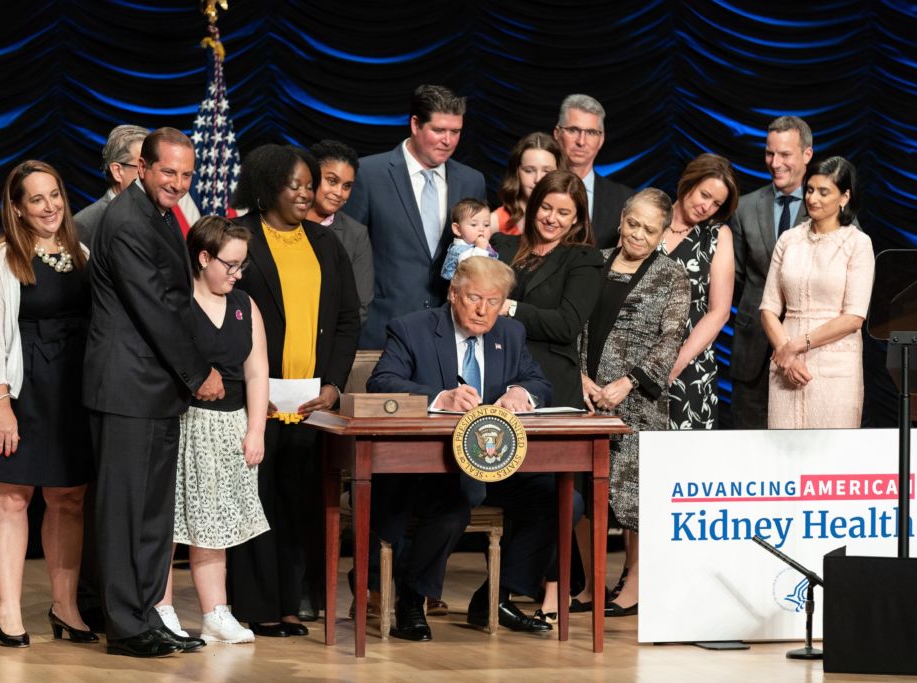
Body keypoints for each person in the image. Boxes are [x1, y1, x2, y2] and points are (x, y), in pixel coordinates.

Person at [83, 127, 224, 658]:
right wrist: (198, 372)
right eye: (169, 172)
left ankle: (147, 616)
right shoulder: (126, 222)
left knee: (151, 515)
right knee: (125, 514)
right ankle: (125, 625)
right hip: (127, 388)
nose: (179, 182)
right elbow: (155, 310)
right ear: (141, 167)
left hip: (154, 389)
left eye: (187, 174)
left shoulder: (161, 215)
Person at [368, 256, 556, 641]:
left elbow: (538, 381)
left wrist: (523, 393)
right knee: (456, 504)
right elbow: (382, 382)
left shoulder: (511, 333)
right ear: (453, 293)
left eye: (493, 301)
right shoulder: (413, 329)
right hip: (433, 465)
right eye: (474, 298)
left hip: (492, 461)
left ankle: (495, 596)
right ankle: (411, 599)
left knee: (561, 500)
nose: (483, 310)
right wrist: (440, 398)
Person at [226, 144, 360, 638]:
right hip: (251, 401)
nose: (308, 194)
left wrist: (334, 385)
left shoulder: (326, 245)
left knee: (298, 501)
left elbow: (348, 319)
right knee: (255, 502)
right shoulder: (240, 238)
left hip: (310, 406)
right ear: (266, 190)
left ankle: (290, 604)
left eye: (310, 185)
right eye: (296, 186)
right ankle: (255, 606)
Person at [0, 160, 94, 648]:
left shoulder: (79, 252)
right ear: (17, 209)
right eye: (36, 199)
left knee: (69, 498)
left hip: (71, 394)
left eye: (55, 195)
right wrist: (0, 404)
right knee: (13, 497)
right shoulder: (1, 260)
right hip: (20, 392)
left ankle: (64, 606)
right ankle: (10, 609)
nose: (49, 206)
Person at [155, 216, 271, 645]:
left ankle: (215, 612)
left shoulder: (244, 305)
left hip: (229, 426)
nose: (237, 274)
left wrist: (255, 430)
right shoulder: (178, 302)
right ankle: (161, 607)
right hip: (183, 424)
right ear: (203, 257)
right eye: (230, 265)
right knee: (168, 523)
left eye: (242, 265)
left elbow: (257, 373)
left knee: (215, 524)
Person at [579, 188, 691, 615]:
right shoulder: (593, 262)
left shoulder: (671, 275)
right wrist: (580, 378)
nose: (638, 235)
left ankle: (635, 586)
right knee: (587, 495)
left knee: (634, 498)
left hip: (638, 402)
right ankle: (591, 585)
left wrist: (628, 382)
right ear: (621, 218)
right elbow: (573, 325)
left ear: (663, 233)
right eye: (633, 224)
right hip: (587, 401)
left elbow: (670, 340)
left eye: (649, 229)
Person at [343, 84, 487, 349]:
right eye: (439, 130)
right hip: (381, 333)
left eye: (455, 132)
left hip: (449, 335)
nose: (448, 140)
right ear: (415, 124)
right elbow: (347, 257)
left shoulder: (472, 181)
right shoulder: (369, 174)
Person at [760, 157, 874, 428]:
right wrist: (784, 353)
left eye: (824, 192)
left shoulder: (857, 243)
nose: (813, 198)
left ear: (844, 197)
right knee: (784, 456)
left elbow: (854, 317)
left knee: (832, 457)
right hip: (785, 366)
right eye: (810, 190)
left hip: (835, 367)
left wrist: (795, 346)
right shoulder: (789, 239)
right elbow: (768, 307)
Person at [491, 170, 604, 410]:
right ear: (534, 206)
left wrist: (509, 307)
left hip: (551, 380)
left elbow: (566, 326)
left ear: (576, 218)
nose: (552, 218)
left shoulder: (583, 259)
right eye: (546, 207)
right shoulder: (502, 245)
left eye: (563, 213)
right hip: (495, 371)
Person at [729, 116, 814, 429]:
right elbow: (733, 280)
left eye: (785, 155)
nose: (775, 162)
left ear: (807, 154)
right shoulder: (745, 207)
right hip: (752, 351)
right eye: (769, 153)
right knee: (747, 443)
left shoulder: (828, 205)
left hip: (809, 351)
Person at [659, 154, 739, 429]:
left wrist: (675, 364)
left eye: (716, 203)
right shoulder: (649, 218)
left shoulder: (717, 236)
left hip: (689, 364)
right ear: (687, 182)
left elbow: (719, 312)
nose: (707, 207)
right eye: (704, 195)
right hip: (634, 359)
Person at [74, 124, 201, 244]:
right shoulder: (86, 224)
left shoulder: (166, 210)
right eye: (142, 166)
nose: (148, 174)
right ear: (117, 171)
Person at [306, 139, 375, 325]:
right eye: (332, 181)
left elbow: (358, 307)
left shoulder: (356, 235)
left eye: (347, 186)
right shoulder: (281, 223)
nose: (339, 192)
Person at [553, 94, 634, 249]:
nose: (581, 141)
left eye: (590, 133)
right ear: (557, 133)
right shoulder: (536, 189)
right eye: (573, 130)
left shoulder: (625, 200)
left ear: (601, 139)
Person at [490, 132, 564, 235]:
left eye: (547, 171)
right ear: (517, 172)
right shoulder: (494, 222)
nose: (538, 179)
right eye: (529, 170)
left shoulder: (567, 220)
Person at [441, 198, 497, 280]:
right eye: (474, 225)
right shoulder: (459, 251)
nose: (482, 229)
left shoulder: (482, 245)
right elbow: (471, 269)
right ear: (457, 229)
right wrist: (480, 249)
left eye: (486, 225)